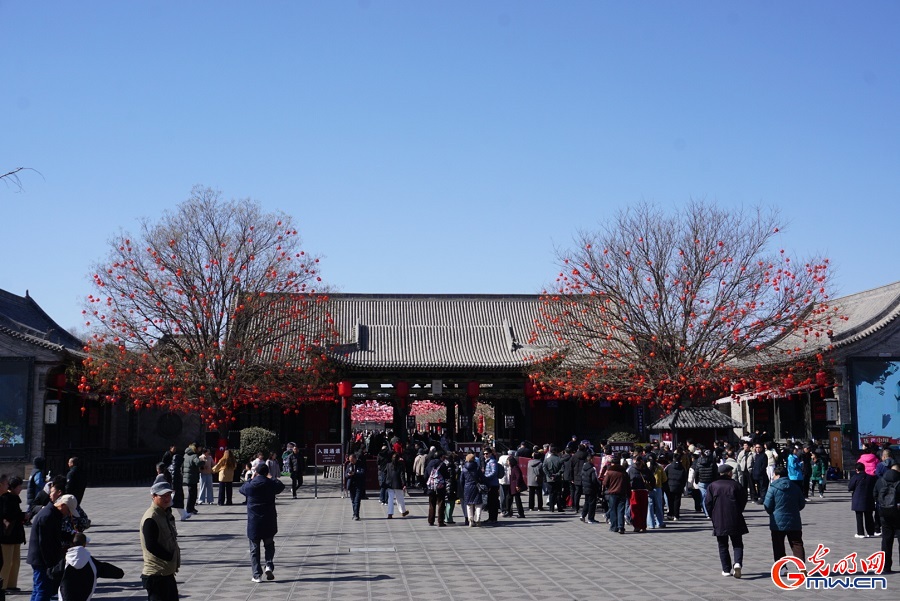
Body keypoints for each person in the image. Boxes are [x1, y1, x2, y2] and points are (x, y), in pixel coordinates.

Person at [239, 463, 285, 583]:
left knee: (254, 548)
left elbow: (242, 489)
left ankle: (256, 575)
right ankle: (269, 565)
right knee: (269, 544)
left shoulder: (251, 485)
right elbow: (281, 486)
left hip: (254, 521)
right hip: (269, 519)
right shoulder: (270, 484)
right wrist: (271, 477)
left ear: (257, 472)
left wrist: (251, 478)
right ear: (267, 472)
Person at [27, 493, 77, 601]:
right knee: (43, 590)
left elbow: (55, 533)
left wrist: (72, 536)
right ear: (63, 505)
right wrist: (51, 565)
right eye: (68, 511)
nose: (68, 514)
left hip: (40, 559)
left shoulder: (53, 514)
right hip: (42, 560)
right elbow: (44, 543)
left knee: (38, 589)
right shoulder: (48, 516)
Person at [49, 532, 124, 601]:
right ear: (85, 544)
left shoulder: (65, 560)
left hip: (66, 595)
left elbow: (52, 573)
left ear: (72, 544)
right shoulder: (91, 561)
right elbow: (106, 569)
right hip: (84, 595)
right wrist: (120, 573)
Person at [705, 464, 748, 578]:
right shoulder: (736, 485)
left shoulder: (712, 486)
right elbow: (743, 500)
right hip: (735, 517)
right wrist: (738, 510)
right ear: (729, 473)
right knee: (737, 543)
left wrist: (712, 515)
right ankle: (737, 563)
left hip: (719, 518)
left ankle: (726, 569)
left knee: (722, 544)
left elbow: (708, 503)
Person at [140, 482, 181, 601]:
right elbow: (151, 545)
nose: (167, 498)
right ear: (153, 496)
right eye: (162, 496)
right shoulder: (151, 517)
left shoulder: (165, 513)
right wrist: (169, 556)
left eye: (168, 495)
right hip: (156, 574)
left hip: (166, 571)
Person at [763, 466, 806, 567]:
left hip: (777, 522)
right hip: (794, 520)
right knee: (797, 543)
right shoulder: (795, 486)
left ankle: (781, 568)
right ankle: (801, 567)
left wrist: (772, 512)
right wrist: (794, 510)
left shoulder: (773, 488)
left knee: (778, 545)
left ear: (778, 475)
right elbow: (802, 503)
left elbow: (767, 505)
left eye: (774, 475)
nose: (773, 477)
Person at [1, 476, 26, 593]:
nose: (21, 488)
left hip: (15, 534)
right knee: (6, 562)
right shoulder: (6, 498)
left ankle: (11, 584)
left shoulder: (14, 497)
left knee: (15, 561)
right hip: (7, 535)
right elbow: (7, 514)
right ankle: (2, 585)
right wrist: (22, 516)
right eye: (19, 486)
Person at [874, 462, 900, 573]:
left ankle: (886, 566)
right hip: (899, 515)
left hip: (884, 515)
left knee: (886, 541)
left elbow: (874, 495)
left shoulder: (880, 481)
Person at [848, 462, 877, 538]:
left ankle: (860, 533)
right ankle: (871, 532)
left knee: (859, 517)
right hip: (869, 499)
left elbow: (850, 487)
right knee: (869, 516)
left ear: (857, 470)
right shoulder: (871, 478)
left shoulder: (855, 477)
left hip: (858, 499)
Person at [604, 454, 630, 534]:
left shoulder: (610, 472)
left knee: (613, 510)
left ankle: (614, 527)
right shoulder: (624, 472)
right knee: (621, 510)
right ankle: (621, 526)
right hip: (622, 493)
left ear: (612, 464)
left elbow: (605, 483)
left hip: (612, 493)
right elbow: (628, 483)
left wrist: (609, 487)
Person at [425, 450, 449, 526]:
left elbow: (425, 475)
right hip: (440, 487)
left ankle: (431, 520)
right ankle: (440, 521)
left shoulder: (429, 464)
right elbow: (446, 476)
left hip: (431, 487)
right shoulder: (443, 465)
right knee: (441, 503)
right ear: (441, 457)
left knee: (431, 504)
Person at [459, 454, 484, 527]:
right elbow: (482, 477)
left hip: (467, 487)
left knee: (469, 504)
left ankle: (470, 520)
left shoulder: (464, 469)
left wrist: (463, 487)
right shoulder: (477, 468)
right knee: (478, 503)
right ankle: (478, 518)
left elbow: (461, 480)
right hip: (476, 487)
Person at [383, 453, 409, 519]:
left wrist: (385, 481)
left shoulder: (388, 465)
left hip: (389, 484)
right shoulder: (401, 465)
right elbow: (402, 475)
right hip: (398, 484)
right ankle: (403, 511)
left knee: (390, 499)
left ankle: (390, 513)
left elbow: (384, 473)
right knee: (400, 498)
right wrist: (404, 484)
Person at [541, 445, 564, 513]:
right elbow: (562, 468)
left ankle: (551, 508)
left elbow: (544, 468)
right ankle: (559, 507)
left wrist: (549, 475)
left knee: (551, 493)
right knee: (558, 493)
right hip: (558, 478)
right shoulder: (559, 459)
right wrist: (557, 474)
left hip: (549, 479)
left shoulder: (547, 460)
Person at [181, 444, 201, 517]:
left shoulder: (185, 455)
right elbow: (198, 463)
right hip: (192, 476)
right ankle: (190, 508)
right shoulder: (194, 456)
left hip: (187, 476)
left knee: (191, 492)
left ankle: (191, 508)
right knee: (193, 493)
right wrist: (203, 462)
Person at [580, 451, 599, 524]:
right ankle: (590, 518)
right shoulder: (592, 468)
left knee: (587, 502)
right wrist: (598, 485)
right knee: (592, 503)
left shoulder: (584, 467)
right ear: (591, 459)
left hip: (585, 487)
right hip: (591, 488)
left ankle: (583, 515)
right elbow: (594, 479)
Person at [345, 454, 365, 521]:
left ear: (355, 459)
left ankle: (356, 515)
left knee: (357, 501)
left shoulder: (360, 464)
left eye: (352, 460)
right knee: (353, 500)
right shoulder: (349, 465)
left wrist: (355, 473)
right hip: (351, 485)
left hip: (358, 485)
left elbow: (363, 473)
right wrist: (348, 474)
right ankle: (354, 513)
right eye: (350, 461)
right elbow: (346, 474)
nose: (351, 462)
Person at [482, 448, 501, 522]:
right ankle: (491, 517)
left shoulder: (492, 461)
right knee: (490, 501)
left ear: (490, 454)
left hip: (493, 484)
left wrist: (486, 477)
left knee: (493, 502)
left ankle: (493, 518)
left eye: (487, 453)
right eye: (484, 454)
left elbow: (494, 472)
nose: (485, 455)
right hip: (490, 484)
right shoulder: (488, 461)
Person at [506, 453, 526, 519]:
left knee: (517, 500)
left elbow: (518, 477)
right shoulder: (512, 468)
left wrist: (517, 485)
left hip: (515, 486)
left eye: (508, 461)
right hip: (511, 486)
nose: (507, 462)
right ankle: (508, 511)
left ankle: (521, 513)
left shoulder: (515, 468)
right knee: (509, 498)